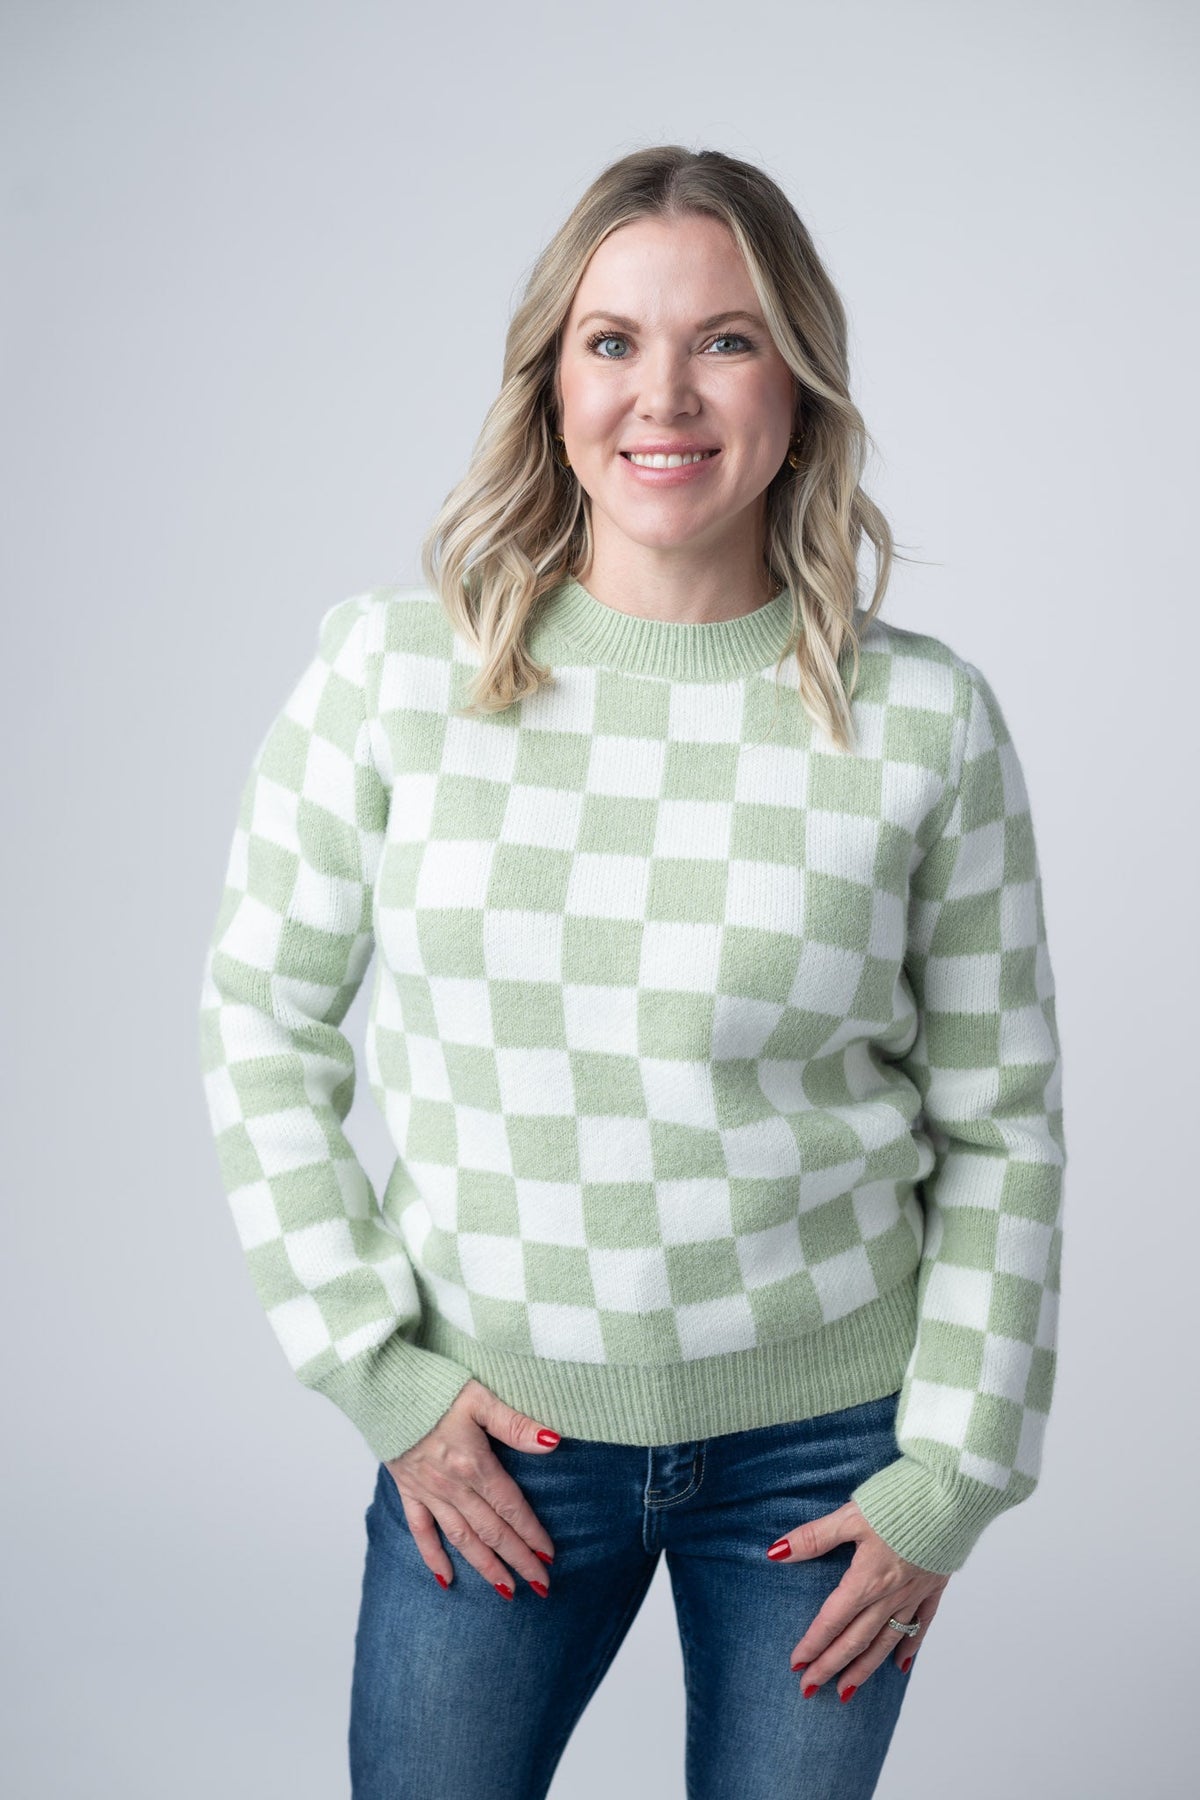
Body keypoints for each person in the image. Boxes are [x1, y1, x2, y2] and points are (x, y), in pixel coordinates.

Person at [196, 144, 1066, 1799]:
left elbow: (1005, 1121)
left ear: (798, 385)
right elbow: (259, 1021)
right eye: (614, 341)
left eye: (725, 340)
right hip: (498, 1445)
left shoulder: (922, 723)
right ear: (551, 380)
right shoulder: (394, 676)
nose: (664, 393)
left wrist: (953, 1473)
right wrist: (381, 1375)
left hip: (824, 1462)